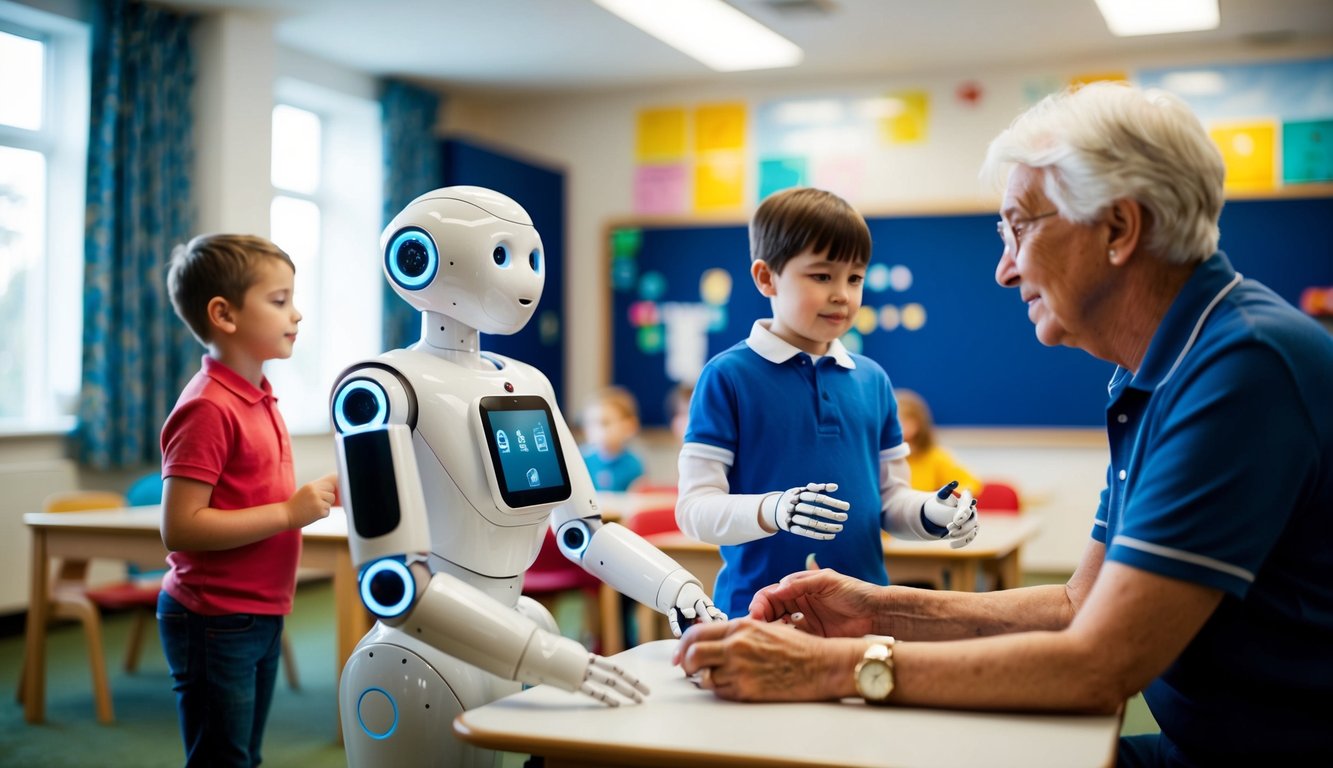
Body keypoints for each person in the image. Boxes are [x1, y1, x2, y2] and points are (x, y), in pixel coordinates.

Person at [674, 82, 1333, 766]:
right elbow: (1081, 602)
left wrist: (830, 666)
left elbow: (1097, 665)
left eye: (1018, 226)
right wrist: (880, 613)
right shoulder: (1159, 370)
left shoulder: (1241, 371)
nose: (1002, 269)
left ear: (1117, 229)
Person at [675, 186, 979, 619]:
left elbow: (889, 502)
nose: (843, 294)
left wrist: (933, 512)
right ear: (766, 277)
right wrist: (774, 509)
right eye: (822, 276)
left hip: (865, 614)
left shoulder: (874, 380)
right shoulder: (728, 377)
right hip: (758, 615)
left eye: (855, 278)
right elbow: (694, 510)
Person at [159, 234, 339, 767]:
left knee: (243, 756)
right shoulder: (209, 407)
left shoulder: (259, 396)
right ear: (225, 315)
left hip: (260, 609)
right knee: (223, 758)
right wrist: (288, 513)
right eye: (279, 301)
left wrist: (325, 491)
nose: (297, 314)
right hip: (215, 616)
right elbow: (182, 527)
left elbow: (253, 493)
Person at [895, 388, 982, 498]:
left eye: (901, 421)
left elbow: (971, 484)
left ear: (917, 424)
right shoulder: (881, 457)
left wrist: (947, 496)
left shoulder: (935, 456)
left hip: (923, 511)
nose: (892, 427)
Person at [579, 385, 646, 492]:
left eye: (605, 423)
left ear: (629, 425)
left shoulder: (633, 464)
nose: (596, 431)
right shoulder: (580, 460)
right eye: (590, 423)